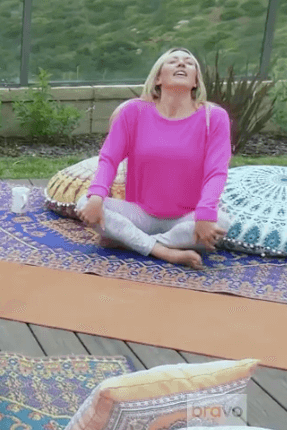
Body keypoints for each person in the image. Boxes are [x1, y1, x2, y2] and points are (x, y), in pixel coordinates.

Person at [76, 47, 232, 269]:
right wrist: (97, 196)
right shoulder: (134, 112)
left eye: (189, 63)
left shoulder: (214, 117)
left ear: (196, 81)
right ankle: (165, 251)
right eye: (173, 61)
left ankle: (131, 241)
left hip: (186, 218)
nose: (182, 64)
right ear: (158, 78)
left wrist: (205, 214)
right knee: (85, 202)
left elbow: (216, 171)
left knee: (222, 221)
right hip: (141, 215)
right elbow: (109, 158)